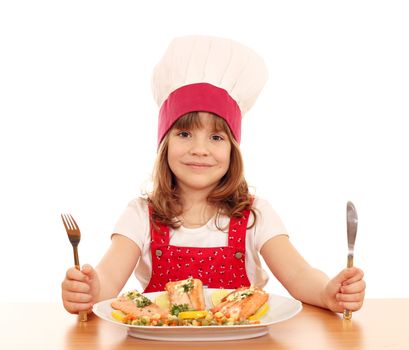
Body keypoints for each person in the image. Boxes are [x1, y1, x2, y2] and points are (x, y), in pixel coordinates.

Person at [61, 36, 365, 315]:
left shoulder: (255, 214)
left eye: (216, 138)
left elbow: (300, 276)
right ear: (164, 144)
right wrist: (89, 289)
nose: (200, 149)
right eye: (184, 133)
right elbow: (109, 280)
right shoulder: (141, 214)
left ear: (233, 150)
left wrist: (328, 292)